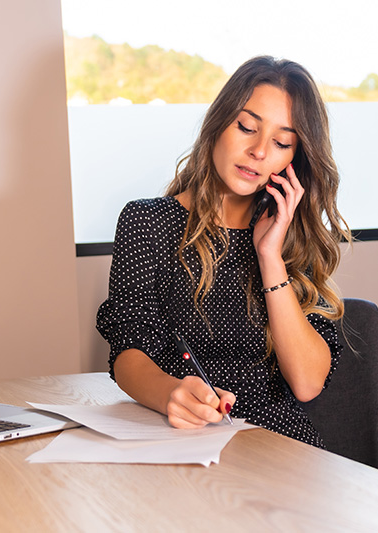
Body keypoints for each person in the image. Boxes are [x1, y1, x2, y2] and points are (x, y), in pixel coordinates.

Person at [96, 56, 351, 448]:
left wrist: (270, 257)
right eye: (247, 127)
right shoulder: (147, 222)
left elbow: (307, 383)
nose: (259, 151)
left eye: (282, 142)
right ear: (218, 124)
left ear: (292, 161)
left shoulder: (290, 239)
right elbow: (128, 352)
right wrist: (171, 395)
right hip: (179, 438)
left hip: (278, 447)